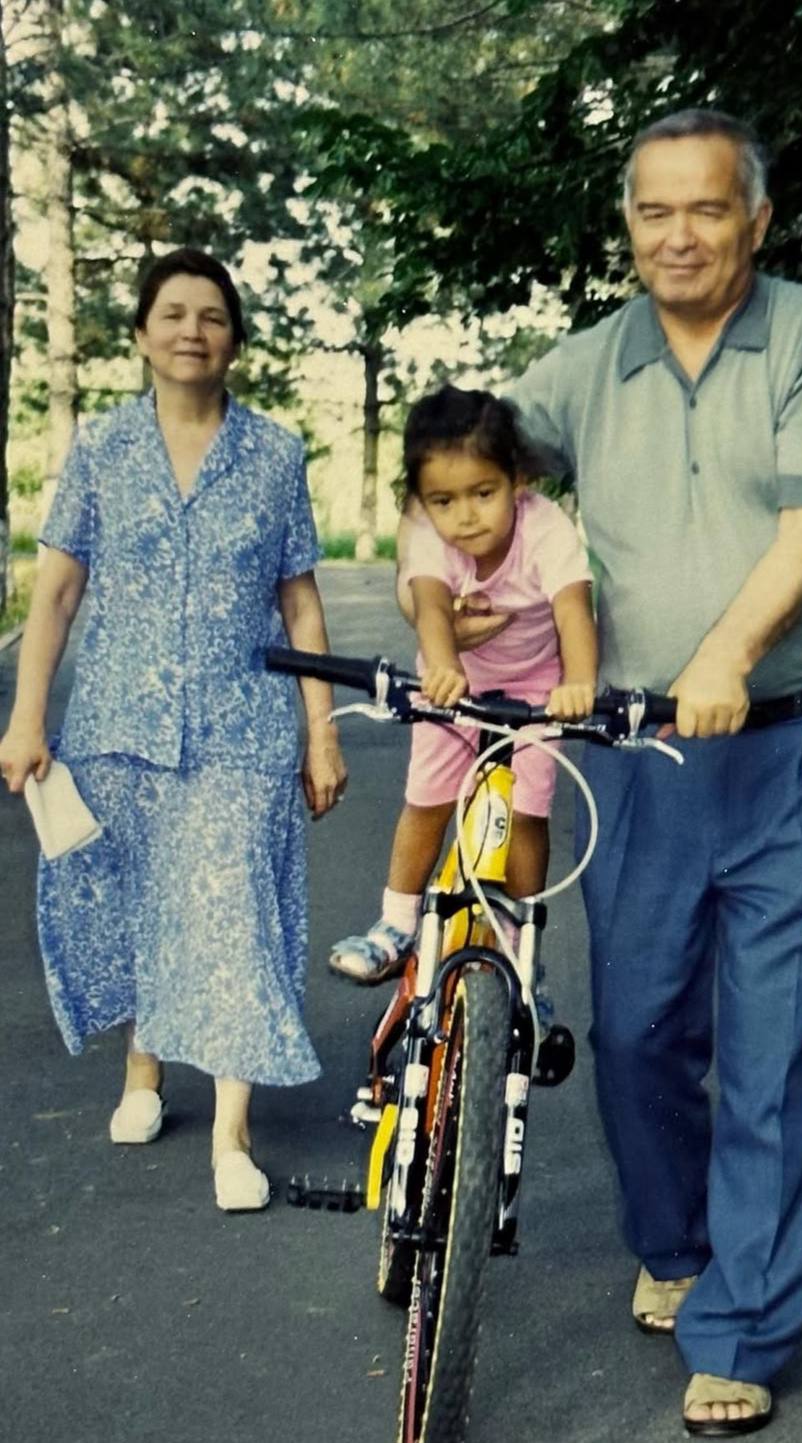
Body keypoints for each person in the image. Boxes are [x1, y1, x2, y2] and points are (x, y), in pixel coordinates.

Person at [506, 110, 802, 1435]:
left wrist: (724, 652)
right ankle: (671, 1244)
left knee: (774, 1046)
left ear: (757, 220)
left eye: (707, 209)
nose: (678, 235)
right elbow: (477, 476)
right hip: (644, 754)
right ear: (628, 226)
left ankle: (745, 1324)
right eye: (653, 211)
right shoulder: (581, 368)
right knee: (637, 1029)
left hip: (797, 741)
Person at [0, 248, 347, 1213]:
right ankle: (143, 1074)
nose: (192, 330)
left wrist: (321, 732)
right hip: (116, 721)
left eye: (213, 316)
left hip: (242, 728)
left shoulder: (275, 454)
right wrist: (27, 717)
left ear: (235, 339)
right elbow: (58, 590)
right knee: (140, 899)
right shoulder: (103, 448)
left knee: (231, 910)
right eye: (173, 313)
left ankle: (231, 1135)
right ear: (143, 333)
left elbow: (301, 604)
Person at [328, 385, 597, 1019]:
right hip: (456, 682)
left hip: (539, 688)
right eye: (444, 501)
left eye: (484, 493)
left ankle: (522, 947)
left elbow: (573, 609)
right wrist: (445, 667)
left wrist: (579, 681)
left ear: (519, 479)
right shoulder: (428, 534)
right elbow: (427, 604)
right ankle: (396, 922)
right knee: (427, 801)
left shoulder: (547, 530)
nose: (467, 516)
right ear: (420, 501)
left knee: (527, 813)